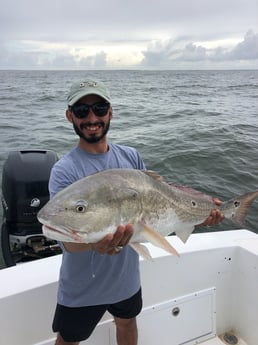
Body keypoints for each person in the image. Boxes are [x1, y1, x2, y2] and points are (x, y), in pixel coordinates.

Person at [49, 78, 224, 345]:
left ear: (110, 112)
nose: (91, 117)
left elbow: (164, 200)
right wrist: (95, 245)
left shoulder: (131, 157)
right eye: (82, 111)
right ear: (69, 115)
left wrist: (200, 209)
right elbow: (67, 240)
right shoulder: (64, 171)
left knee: (128, 323)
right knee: (69, 339)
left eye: (99, 108)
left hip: (126, 279)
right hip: (82, 287)